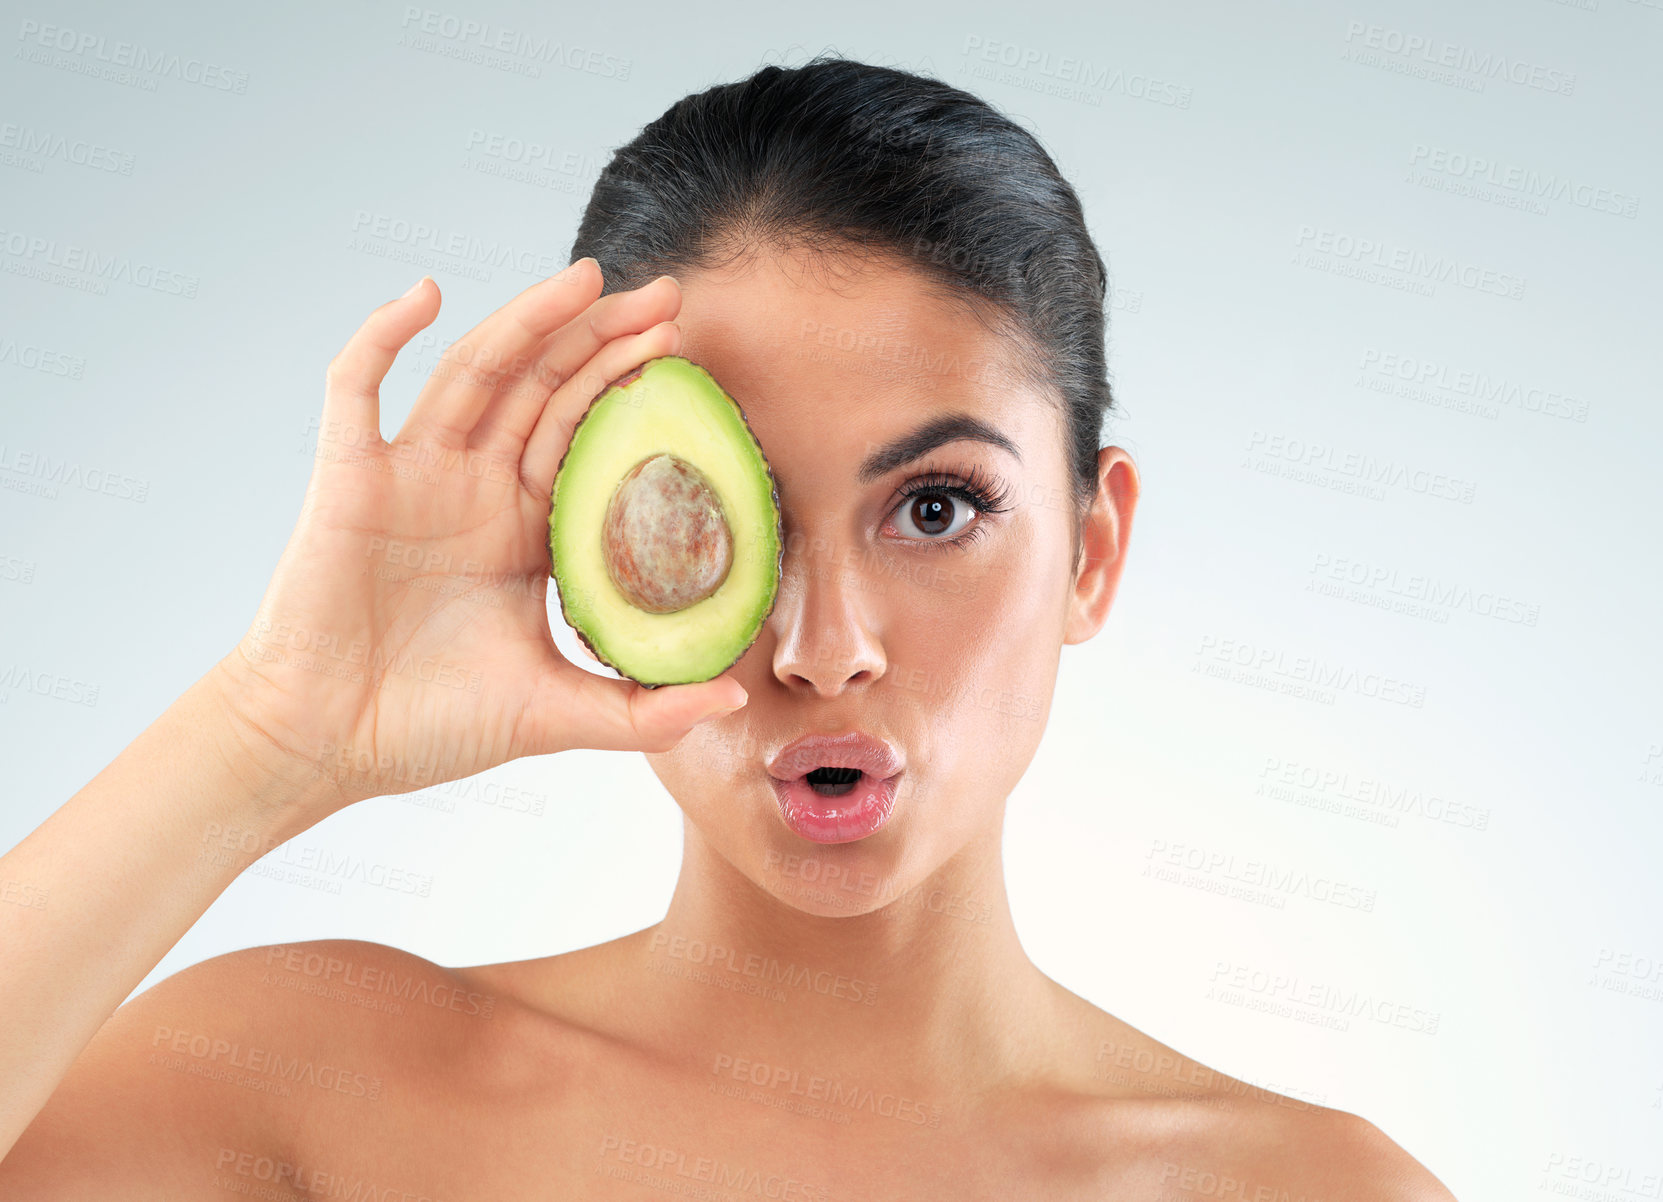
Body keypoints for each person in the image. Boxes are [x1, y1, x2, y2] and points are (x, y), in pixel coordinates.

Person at [0, 56, 1457, 1198]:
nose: (826, 648)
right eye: (708, 513)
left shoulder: (1314, 1189)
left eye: (937, 508)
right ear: (576, 549)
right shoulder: (307, 1089)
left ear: (1092, 546)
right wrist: (273, 726)